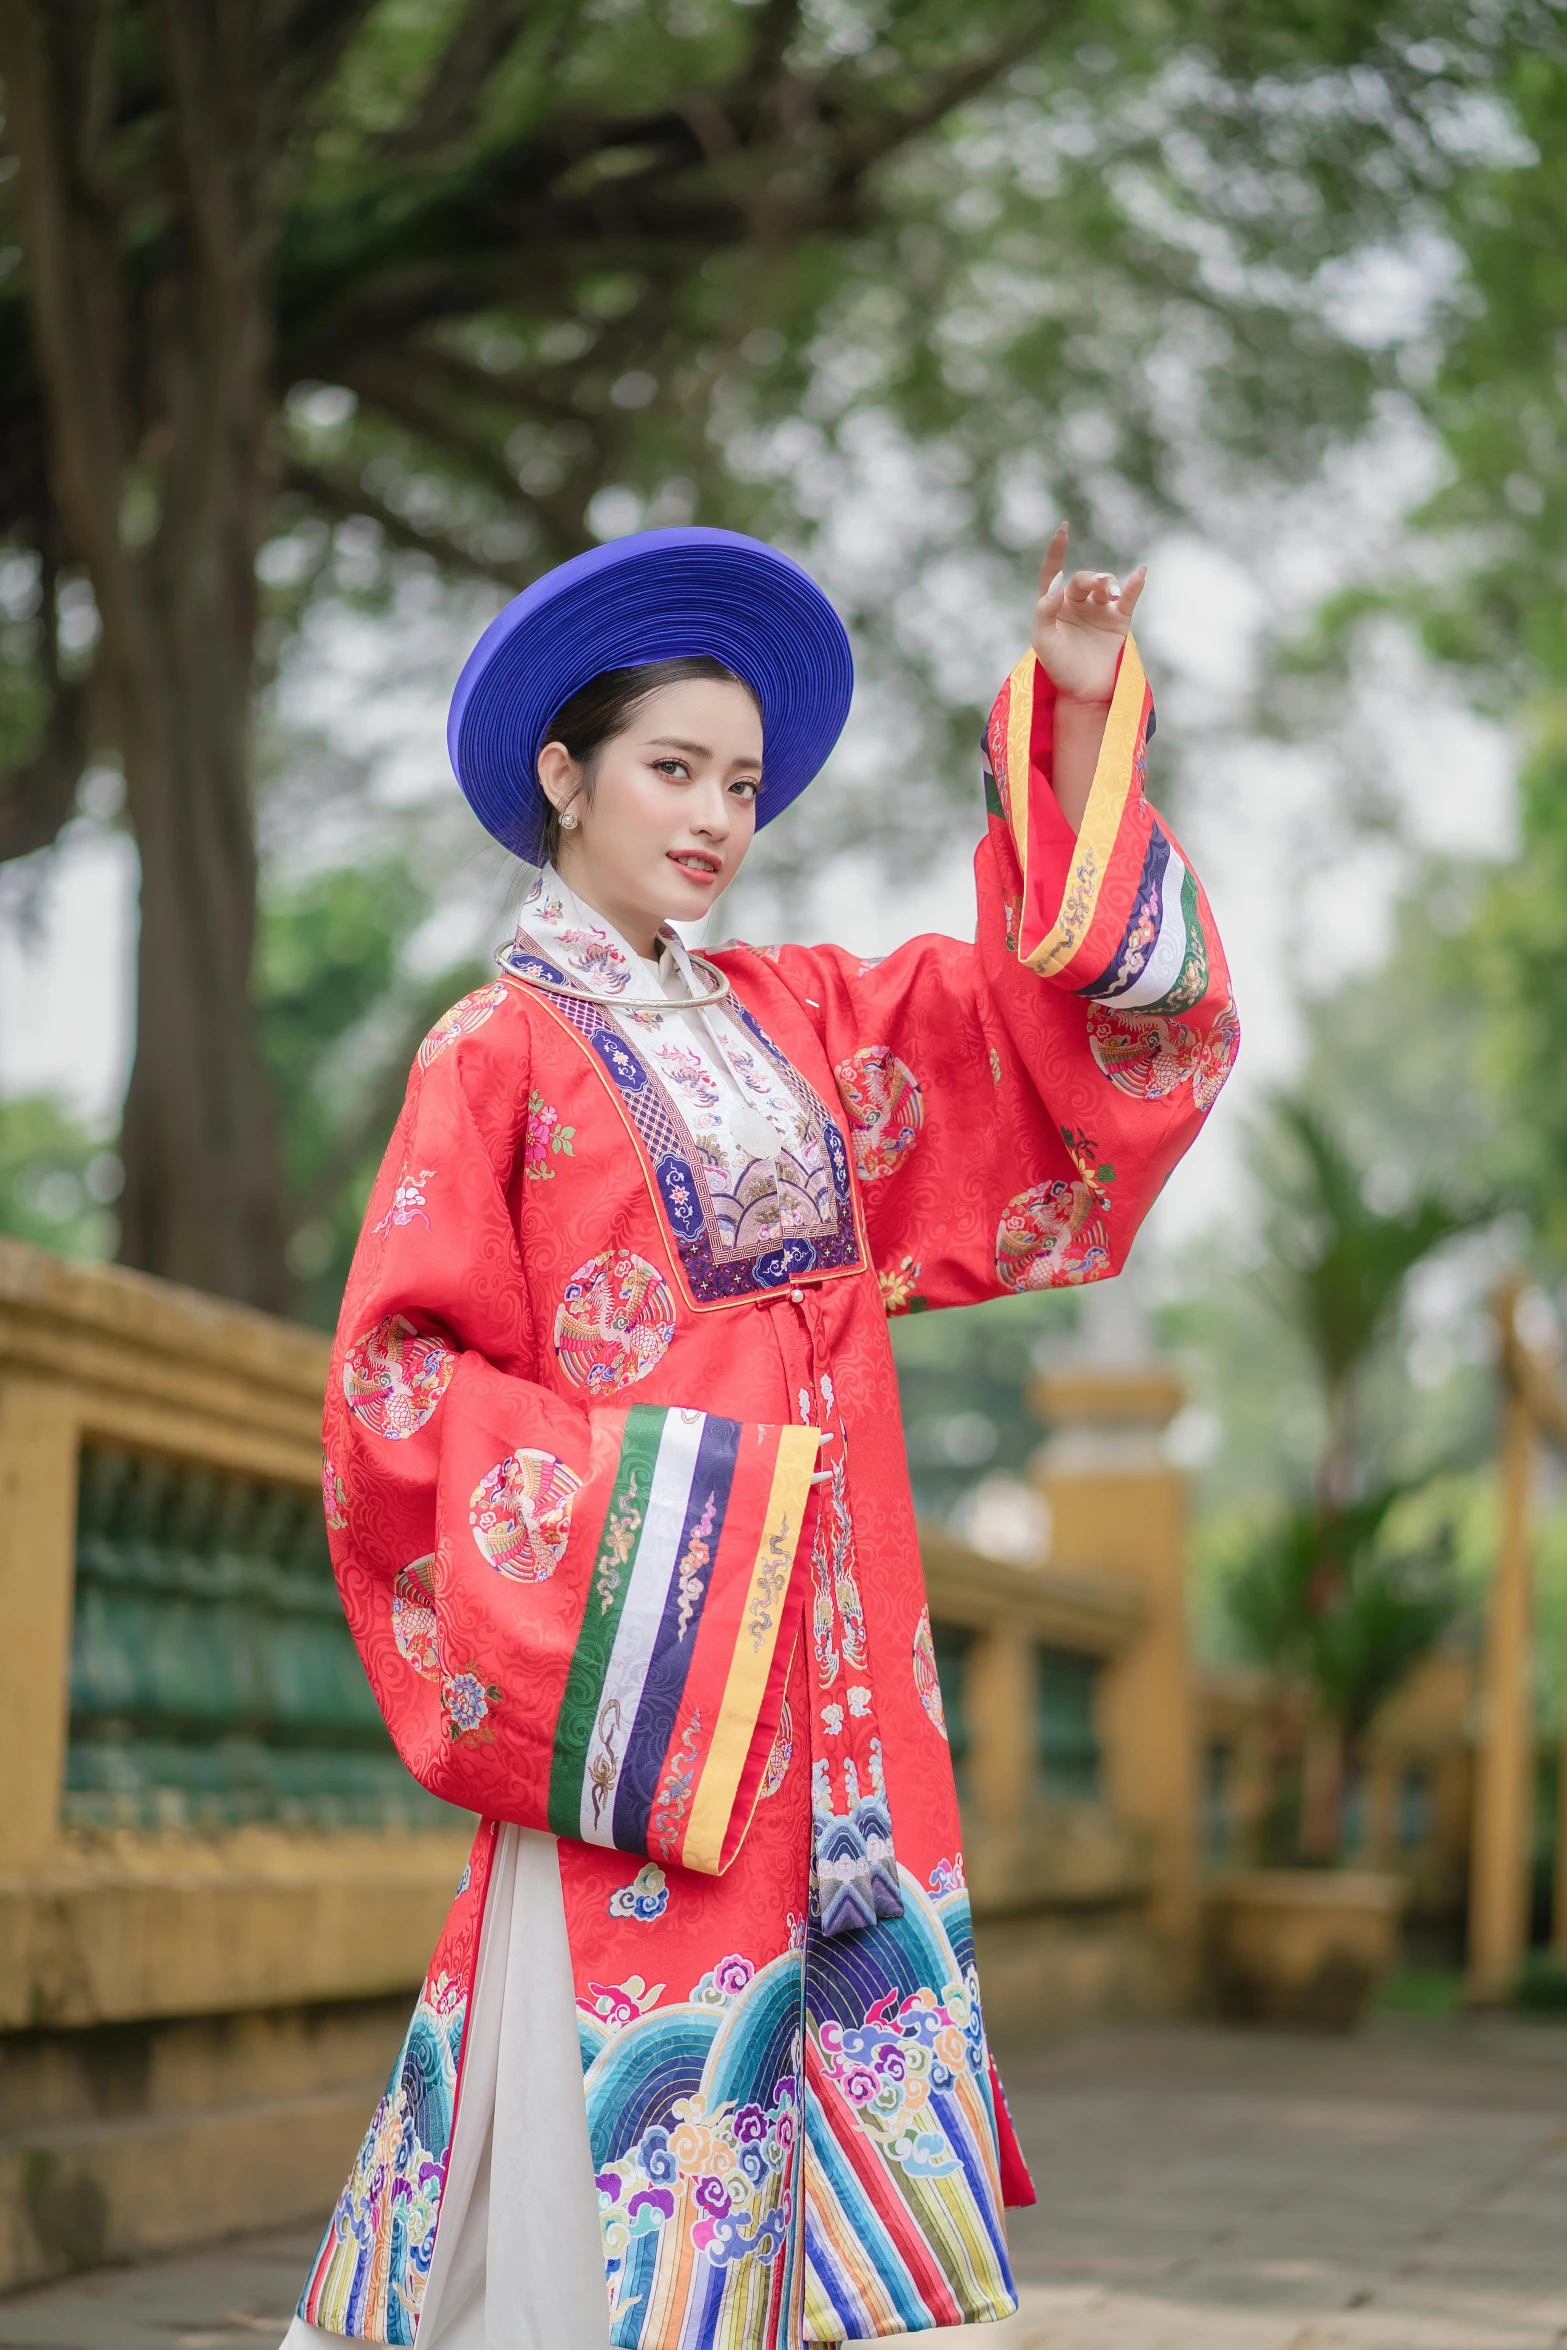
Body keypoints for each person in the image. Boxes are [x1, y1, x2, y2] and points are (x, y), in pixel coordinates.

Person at [281, 524, 1237, 2350]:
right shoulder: (494, 1049)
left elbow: (1043, 1049)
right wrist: (665, 1538)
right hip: (656, 1672)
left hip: (844, 1676)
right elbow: (394, 1389)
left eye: (740, 781)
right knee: (634, 2080)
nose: (717, 816)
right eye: (670, 770)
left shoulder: (791, 1019)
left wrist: (1075, 724)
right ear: (561, 778)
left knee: (837, 2034)